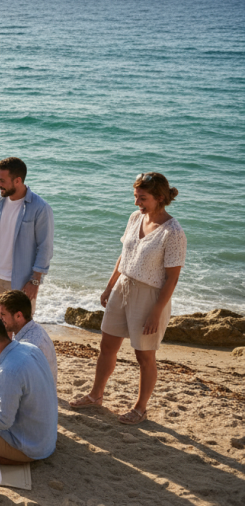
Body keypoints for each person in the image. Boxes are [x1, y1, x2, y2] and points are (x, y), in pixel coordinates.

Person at [70, 173, 185, 425]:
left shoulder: (173, 232)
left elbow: (171, 279)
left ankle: (140, 408)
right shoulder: (135, 218)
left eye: (142, 198)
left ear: (160, 198)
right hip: (123, 287)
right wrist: (109, 286)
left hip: (149, 296)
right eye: (135, 197)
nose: (136, 203)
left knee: (144, 355)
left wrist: (156, 311)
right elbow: (123, 257)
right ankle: (95, 395)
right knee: (107, 346)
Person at [0, 312, 57, 464]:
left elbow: (2, 422)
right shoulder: (29, 348)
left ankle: (12, 459)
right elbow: (0, 387)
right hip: (45, 438)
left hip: (31, 448)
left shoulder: (8, 371)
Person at [0, 157, 54, 314]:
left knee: (21, 328)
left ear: (18, 180)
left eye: (1, 180)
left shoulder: (40, 208)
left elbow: (45, 247)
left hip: (22, 280)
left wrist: (35, 280)